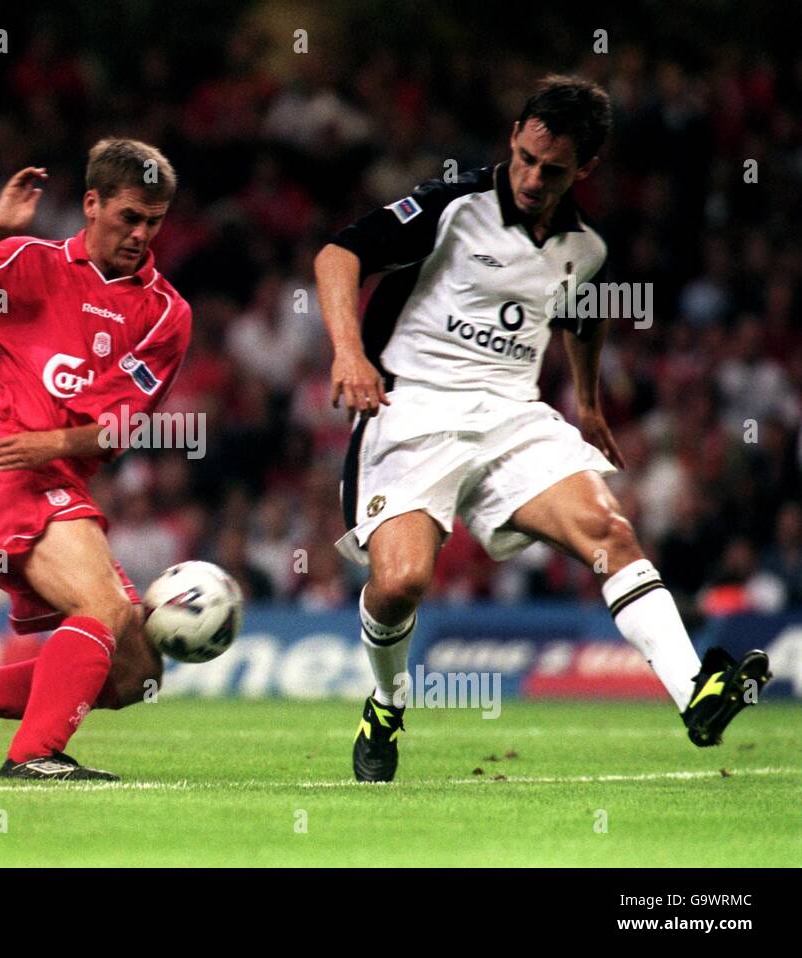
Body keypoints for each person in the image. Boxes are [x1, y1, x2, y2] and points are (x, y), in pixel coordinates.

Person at [313, 75, 771, 783]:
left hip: (510, 417)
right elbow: (339, 254)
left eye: (552, 169)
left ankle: (696, 695)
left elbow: (583, 319)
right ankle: (386, 703)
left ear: (585, 168)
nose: (531, 177)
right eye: (525, 157)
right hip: (412, 409)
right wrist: (347, 353)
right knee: (401, 583)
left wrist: (588, 406)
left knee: (610, 530)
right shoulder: (452, 205)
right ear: (515, 136)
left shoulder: (585, 249)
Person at [0, 139, 191, 781]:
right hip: (6, 474)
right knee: (104, 611)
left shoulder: (165, 313)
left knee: (136, 674)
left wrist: (54, 444)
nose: (142, 234)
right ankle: (33, 756)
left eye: (154, 221)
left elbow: (116, 426)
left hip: (58, 476)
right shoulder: (28, 261)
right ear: (91, 203)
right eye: (129, 217)